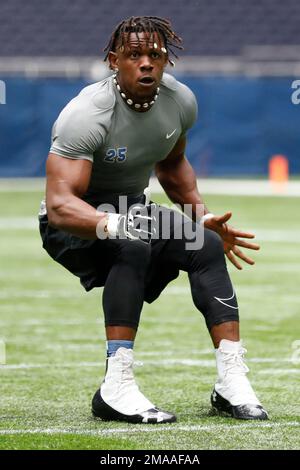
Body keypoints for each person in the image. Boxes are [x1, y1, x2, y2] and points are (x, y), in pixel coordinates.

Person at [39, 16, 268, 424]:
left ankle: (231, 381)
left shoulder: (179, 102)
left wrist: (202, 216)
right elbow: (58, 205)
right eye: (134, 55)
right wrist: (113, 224)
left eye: (155, 55)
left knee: (205, 245)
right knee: (133, 242)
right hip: (74, 221)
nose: (146, 63)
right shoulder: (87, 114)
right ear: (114, 60)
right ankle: (116, 386)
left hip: (133, 208)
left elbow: (173, 164)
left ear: (166, 62)